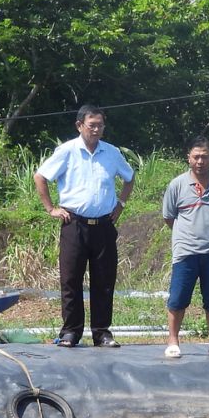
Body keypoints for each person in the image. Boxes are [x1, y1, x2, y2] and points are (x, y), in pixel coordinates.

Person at [34, 104, 134, 348]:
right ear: (80, 126)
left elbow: (129, 178)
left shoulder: (111, 153)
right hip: (74, 223)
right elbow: (41, 176)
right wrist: (51, 209)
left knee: (104, 280)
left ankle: (102, 332)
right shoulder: (67, 151)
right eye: (92, 125)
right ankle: (71, 331)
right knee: (71, 279)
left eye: (100, 125)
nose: (96, 130)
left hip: (103, 225)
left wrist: (120, 205)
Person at [160, 137, 209, 360]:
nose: (200, 161)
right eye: (196, 157)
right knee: (178, 298)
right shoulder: (177, 185)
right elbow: (169, 217)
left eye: (205, 156)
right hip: (185, 252)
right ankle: (173, 342)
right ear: (189, 158)